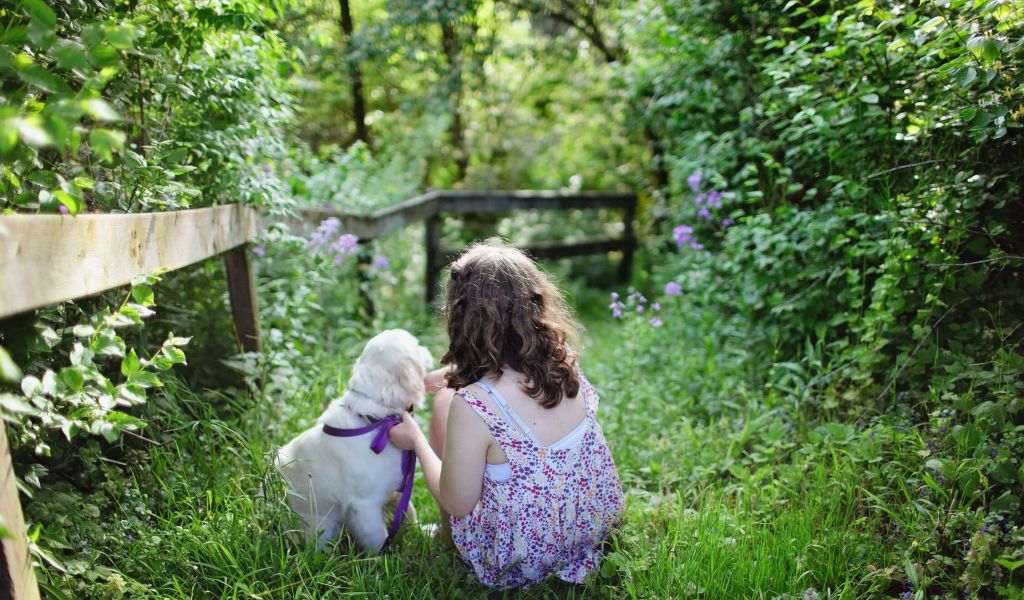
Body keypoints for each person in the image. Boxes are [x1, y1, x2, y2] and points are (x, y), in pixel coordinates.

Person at [387, 240, 624, 589]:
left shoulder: (472, 405)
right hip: (590, 527)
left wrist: (417, 442)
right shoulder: (563, 361)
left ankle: (449, 539)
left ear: (462, 317)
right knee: (448, 396)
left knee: (443, 403)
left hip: (522, 555)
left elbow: (457, 501)